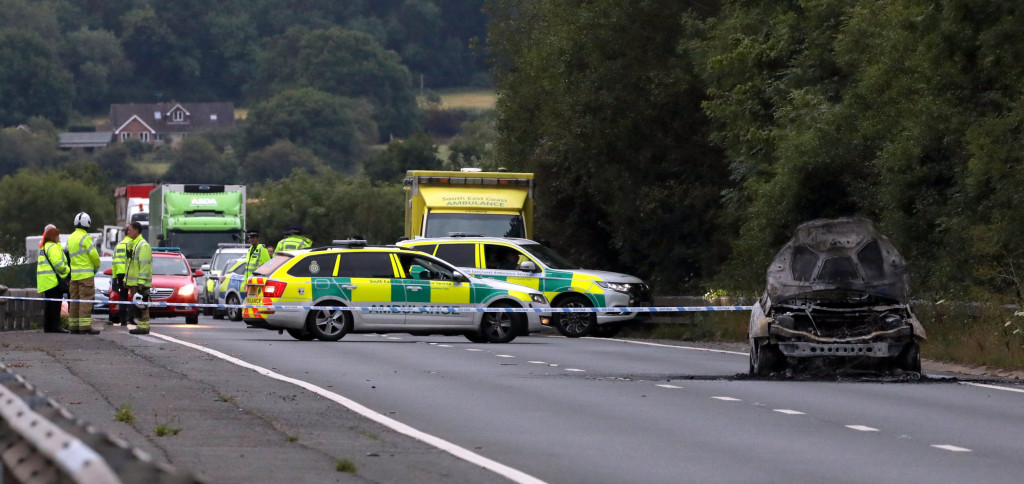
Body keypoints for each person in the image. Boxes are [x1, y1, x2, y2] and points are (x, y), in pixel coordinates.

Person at [67, 212, 101, 334]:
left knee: (74, 301)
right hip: (86, 276)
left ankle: (74, 326)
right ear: (88, 224)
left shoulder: (70, 238)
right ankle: (85, 327)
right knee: (86, 301)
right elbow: (94, 256)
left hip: (74, 276)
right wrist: (96, 268)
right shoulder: (86, 238)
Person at [36, 224, 70, 333]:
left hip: (44, 280)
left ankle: (48, 327)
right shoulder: (53, 247)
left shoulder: (44, 247)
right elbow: (58, 264)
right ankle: (56, 326)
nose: (59, 237)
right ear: (53, 236)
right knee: (55, 304)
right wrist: (67, 270)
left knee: (49, 305)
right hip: (52, 280)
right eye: (57, 236)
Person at [124, 221, 152, 335]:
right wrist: (126, 280)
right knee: (138, 306)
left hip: (140, 283)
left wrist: (141, 282)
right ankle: (141, 326)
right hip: (134, 282)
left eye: (130, 230)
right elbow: (129, 265)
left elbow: (144, 265)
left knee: (142, 306)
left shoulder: (143, 245)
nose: (128, 232)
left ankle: (144, 327)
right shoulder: (134, 244)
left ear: (136, 231)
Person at [110, 227, 134, 326]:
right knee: (133, 296)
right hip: (130, 273)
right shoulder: (132, 244)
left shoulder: (118, 245)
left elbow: (114, 262)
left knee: (122, 297)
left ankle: (123, 320)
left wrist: (114, 276)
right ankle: (131, 318)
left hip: (120, 273)